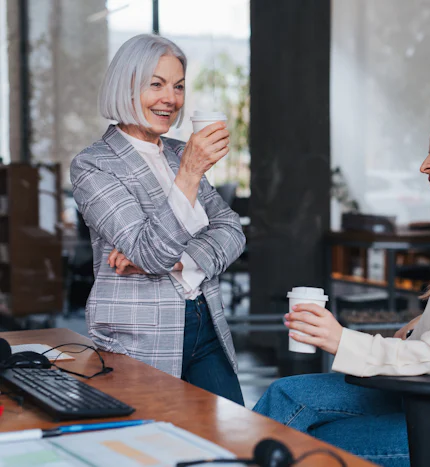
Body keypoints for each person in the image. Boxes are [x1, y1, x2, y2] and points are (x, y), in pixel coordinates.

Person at [253, 104, 430, 466]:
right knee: (286, 396)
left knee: (299, 450)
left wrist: (341, 340)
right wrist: (420, 330)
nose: (425, 164)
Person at [71, 34, 245, 405]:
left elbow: (232, 230)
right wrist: (191, 172)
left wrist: (183, 260)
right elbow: (149, 254)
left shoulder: (179, 152)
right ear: (127, 86)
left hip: (205, 320)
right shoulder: (94, 165)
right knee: (150, 446)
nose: (171, 98)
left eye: (179, 86)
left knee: (231, 446)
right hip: (138, 335)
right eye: (157, 84)